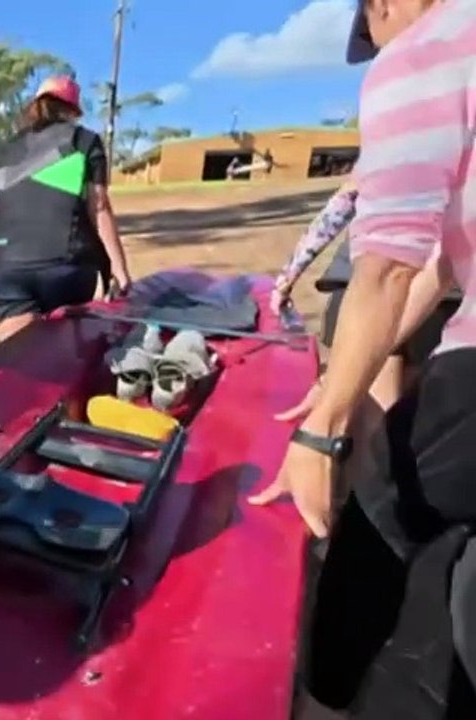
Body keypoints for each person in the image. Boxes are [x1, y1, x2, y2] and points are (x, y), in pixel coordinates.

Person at [256, 0, 476, 717]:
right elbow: (440, 267)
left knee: (377, 519)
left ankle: (326, 698)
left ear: (383, 5)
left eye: (371, 31)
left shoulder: (428, 50)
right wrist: (334, 386)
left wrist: (321, 431)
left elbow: (386, 270)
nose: (377, 46)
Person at [270, 180, 460, 421]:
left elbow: (347, 194)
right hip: (406, 298)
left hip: (395, 296)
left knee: (376, 423)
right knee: (387, 424)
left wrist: (289, 274)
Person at [0, 74, 132, 342]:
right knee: (63, 357)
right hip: (65, 267)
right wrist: (119, 271)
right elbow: (99, 207)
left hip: (7, 270)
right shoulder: (82, 140)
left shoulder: (0, 153)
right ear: (71, 111)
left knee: (22, 360)